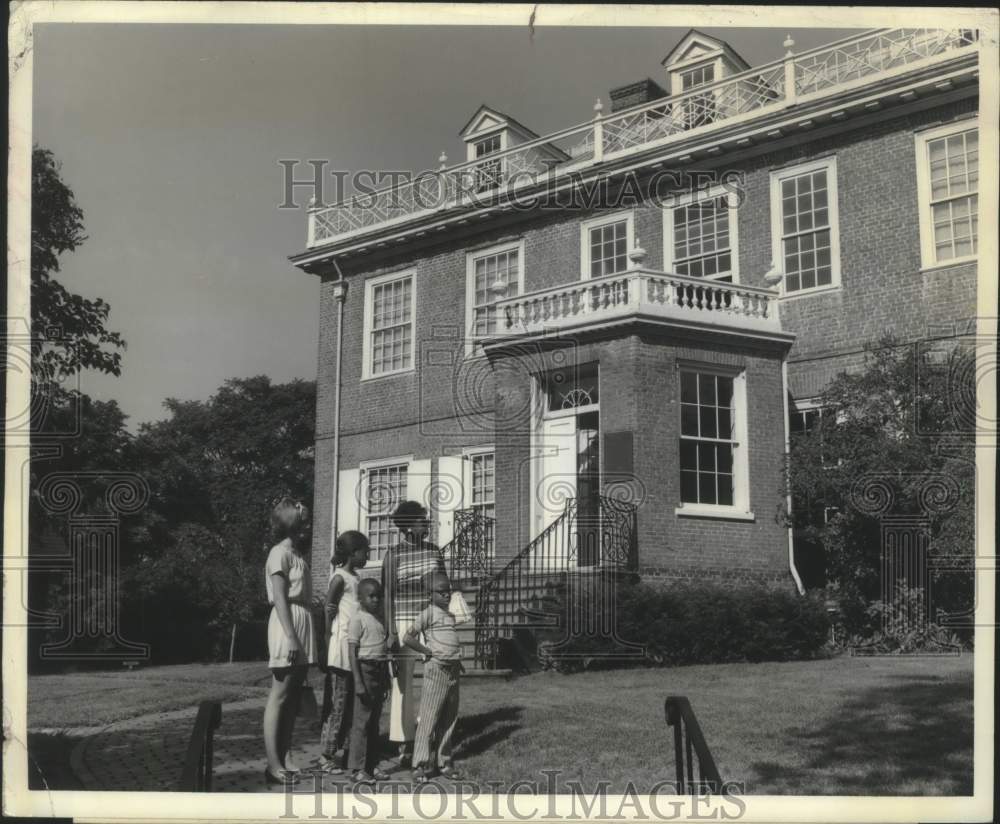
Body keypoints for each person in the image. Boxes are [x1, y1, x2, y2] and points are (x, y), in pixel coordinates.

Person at [381, 500, 447, 768]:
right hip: (404, 621)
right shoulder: (393, 554)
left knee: (438, 677)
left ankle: (433, 736)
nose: (427, 524)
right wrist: (389, 631)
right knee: (402, 682)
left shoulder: (434, 551)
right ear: (408, 526)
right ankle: (404, 744)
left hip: (432, 621)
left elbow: (444, 586)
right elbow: (387, 594)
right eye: (422, 520)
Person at [262, 497, 317, 785]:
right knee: (280, 695)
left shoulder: (297, 555)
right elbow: (281, 598)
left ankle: (285, 756)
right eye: (302, 523)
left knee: (293, 696)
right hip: (288, 624)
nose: (306, 528)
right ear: (290, 525)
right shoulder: (277, 554)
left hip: (302, 619)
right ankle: (272, 764)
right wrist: (292, 638)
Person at [403, 572, 464, 783]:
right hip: (436, 670)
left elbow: (450, 641)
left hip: (453, 671)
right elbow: (407, 637)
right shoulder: (428, 613)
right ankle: (419, 765)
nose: (447, 594)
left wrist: (458, 661)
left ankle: (444, 761)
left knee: (449, 718)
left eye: (449, 590)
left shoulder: (449, 615)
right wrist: (425, 651)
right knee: (429, 718)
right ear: (430, 594)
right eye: (441, 591)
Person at [318, 530, 370, 773]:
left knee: (350, 702)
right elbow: (328, 610)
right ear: (353, 553)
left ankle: (346, 750)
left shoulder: (356, 578)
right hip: (339, 648)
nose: (368, 555)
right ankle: (325, 755)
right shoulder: (339, 578)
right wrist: (327, 641)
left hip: (353, 646)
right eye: (365, 551)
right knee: (337, 703)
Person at [347, 578, 392, 784]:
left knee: (374, 723)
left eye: (378, 596)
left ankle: (371, 765)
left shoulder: (379, 620)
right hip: (364, 671)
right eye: (371, 596)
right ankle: (357, 768)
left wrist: (387, 681)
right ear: (360, 598)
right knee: (361, 723)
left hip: (380, 671)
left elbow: (383, 652)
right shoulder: (358, 619)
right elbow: (352, 651)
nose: (376, 599)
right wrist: (357, 681)